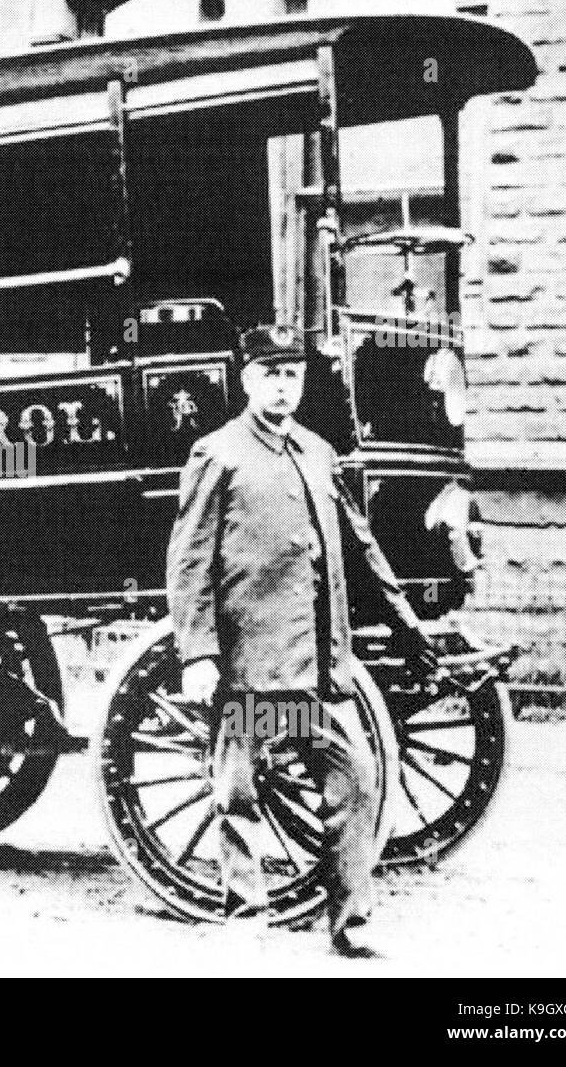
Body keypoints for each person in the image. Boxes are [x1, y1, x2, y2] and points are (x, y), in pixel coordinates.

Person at [166, 323, 438, 956]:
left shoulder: (318, 453)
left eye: (292, 374)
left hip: (319, 670)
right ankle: (246, 916)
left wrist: (408, 623)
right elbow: (189, 561)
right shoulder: (220, 453)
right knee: (238, 792)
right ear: (246, 379)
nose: (282, 386)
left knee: (358, 782)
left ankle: (350, 927)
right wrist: (198, 654)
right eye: (270, 374)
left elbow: (361, 547)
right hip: (253, 665)